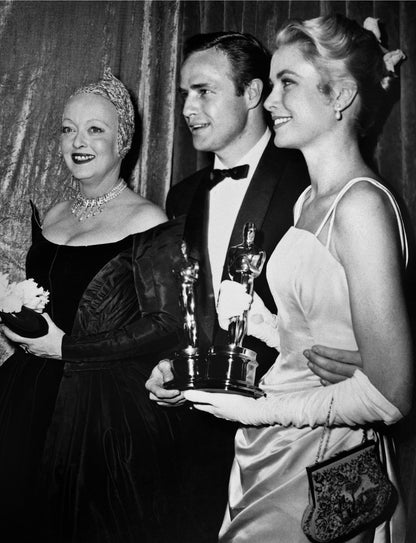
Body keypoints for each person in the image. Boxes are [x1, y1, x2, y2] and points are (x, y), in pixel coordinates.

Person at [184, 14, 413, 542]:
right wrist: (250, 320)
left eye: (287, 83)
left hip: (324, 462)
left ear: (340, 96)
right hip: (271, 452)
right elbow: (310, 328)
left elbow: (391, 395)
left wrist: (261, 410)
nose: (267, 101)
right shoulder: (311, 200)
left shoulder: (360, 206)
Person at [146, 31, 364, 542]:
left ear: (252, 94)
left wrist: (373, 359)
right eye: (182, 94)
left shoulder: (312, 179)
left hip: (296, 439)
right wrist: (166, 367)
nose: (187, 108)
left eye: (203, 91)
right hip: (197, 441)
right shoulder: (181, 196)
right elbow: (183, 310)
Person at [0, 68, 186, 543]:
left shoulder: (148, 219)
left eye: (95, 129)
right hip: (26, 390)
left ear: (123, 140)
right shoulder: (56, 211)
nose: (77, 141)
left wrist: (70, 348)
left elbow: (164, 327)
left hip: (97, 407)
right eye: (67, 128)